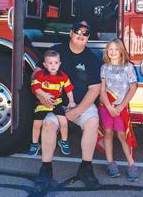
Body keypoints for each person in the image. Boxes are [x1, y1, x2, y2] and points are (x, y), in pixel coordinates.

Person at [33, 20, 102, 191]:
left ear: (88, 38)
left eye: (85, 33)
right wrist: (39, 93)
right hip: (56, 104)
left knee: (92, 122)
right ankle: (46, 170)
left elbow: (95, 89)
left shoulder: (92, 59)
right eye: (77, 31)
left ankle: (86, 168)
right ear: (71, 33)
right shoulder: (56, 51)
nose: (81, 35)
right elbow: (36, 72)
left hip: (81, 105)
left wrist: (78, 110)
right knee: (48, 125)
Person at [98, 38, 138, 181]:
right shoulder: (104, 67)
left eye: (116, 49)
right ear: (107, 51)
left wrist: (121, 106)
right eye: (110, 49)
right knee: (107, 133)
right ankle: (111, 163)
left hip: (121, 108)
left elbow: (133, 87)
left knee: (122, 136)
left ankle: (132, 165)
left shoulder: (128, 67)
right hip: (106, 107)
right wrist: (108, 106)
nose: (113, 52)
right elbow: (102, 90)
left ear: (122, 51)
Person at [29, 50, 76, 156]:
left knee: (63, 122)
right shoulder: (40, 75)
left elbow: (68, 89)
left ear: (59, 64)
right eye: (50, 63)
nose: (53, 65)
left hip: (57, 103)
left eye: (56, 63)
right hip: (42, 104)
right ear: (45, 65)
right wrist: (44, 95)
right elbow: (35, 87)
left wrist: (71, 101)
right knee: (37, 124)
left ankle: (64, 141)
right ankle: (35, 143)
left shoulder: (63, 76)